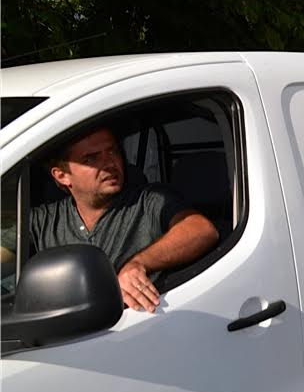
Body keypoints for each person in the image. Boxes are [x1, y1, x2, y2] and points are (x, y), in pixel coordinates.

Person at [29, 126, 219, 312]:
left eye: (112, 151)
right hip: (68, 331)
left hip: (143, 326)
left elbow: (201, 230)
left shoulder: (149, 201)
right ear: (62, 176)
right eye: (91, 158)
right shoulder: (44, 220)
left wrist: (139, 263)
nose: (109, 163)